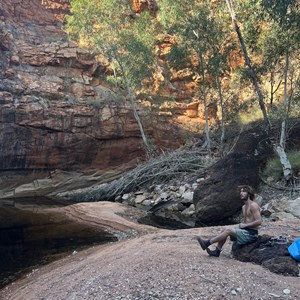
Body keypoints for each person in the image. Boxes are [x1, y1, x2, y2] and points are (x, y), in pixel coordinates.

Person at [197, 185, 262, 257]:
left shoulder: (253, 205)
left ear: (249, 193)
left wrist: (245, 225)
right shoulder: (244, 207)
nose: (241, 193)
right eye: (240, 191)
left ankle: (208, 243)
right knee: (225, 229)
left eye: (243, 191)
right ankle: (217, 251)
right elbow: (246, 222)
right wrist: (242, 226)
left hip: (252, 234)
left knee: (228, 230)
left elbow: (259, 221)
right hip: (245, 231)